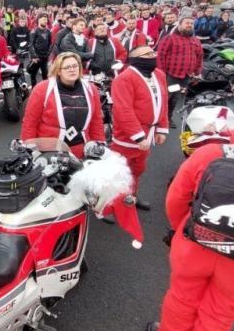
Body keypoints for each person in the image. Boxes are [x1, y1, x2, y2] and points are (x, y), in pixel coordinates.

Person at [152, 99, 234, 331]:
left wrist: (181, 229)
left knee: (181, 301)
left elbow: (176, 199)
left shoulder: (211, 153)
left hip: (195, 245)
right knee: (218, 317)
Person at [110, 45, 169, 211]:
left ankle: (131, 197)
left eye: (153, 53)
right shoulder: (124, 78)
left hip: (148, 133)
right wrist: (139, 136)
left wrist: (162, 128)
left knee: (138, 169)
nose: (152, 56)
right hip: (127, 137)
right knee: (119, 172)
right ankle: (109, 204)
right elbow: (123, 110)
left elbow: (162, 103)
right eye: (147, 54)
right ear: (136, 58)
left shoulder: (159, 75)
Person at [21, 52, 106, 158]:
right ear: (58, 71)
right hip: (50, 152)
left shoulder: (91, 89)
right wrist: (29, 149)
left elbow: (96, 120)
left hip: (82, 151)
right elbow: (30, 121)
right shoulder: (42, 89)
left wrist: (99, 144)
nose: (72, 69)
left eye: (75, 66)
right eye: (67, 67)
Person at [156, 17, 203, 128]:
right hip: (170, 75)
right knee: (164, 98)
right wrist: (161, 73)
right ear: (180, 25)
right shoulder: (170, 38)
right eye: (187, 23)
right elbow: (160, 55)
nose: (189, 25)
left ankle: (168, 118)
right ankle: (157, 119)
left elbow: (200, 58)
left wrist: (198, 73)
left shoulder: (195, 41)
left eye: (191, 23)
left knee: (175, 99)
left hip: (186, 76)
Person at [28, 14, 52, 86]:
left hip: (44, 57)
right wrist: (34, 56)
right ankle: (33, 92)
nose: (45, 21)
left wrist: (48, 54)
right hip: (36, 58)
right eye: (44, 19)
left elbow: (50, 44)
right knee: (33, 75)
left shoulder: (48, 31)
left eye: (46, 20)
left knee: (45, 76)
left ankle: (46, 92)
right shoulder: (34, 31)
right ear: (38, 20)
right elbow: (30, 44)